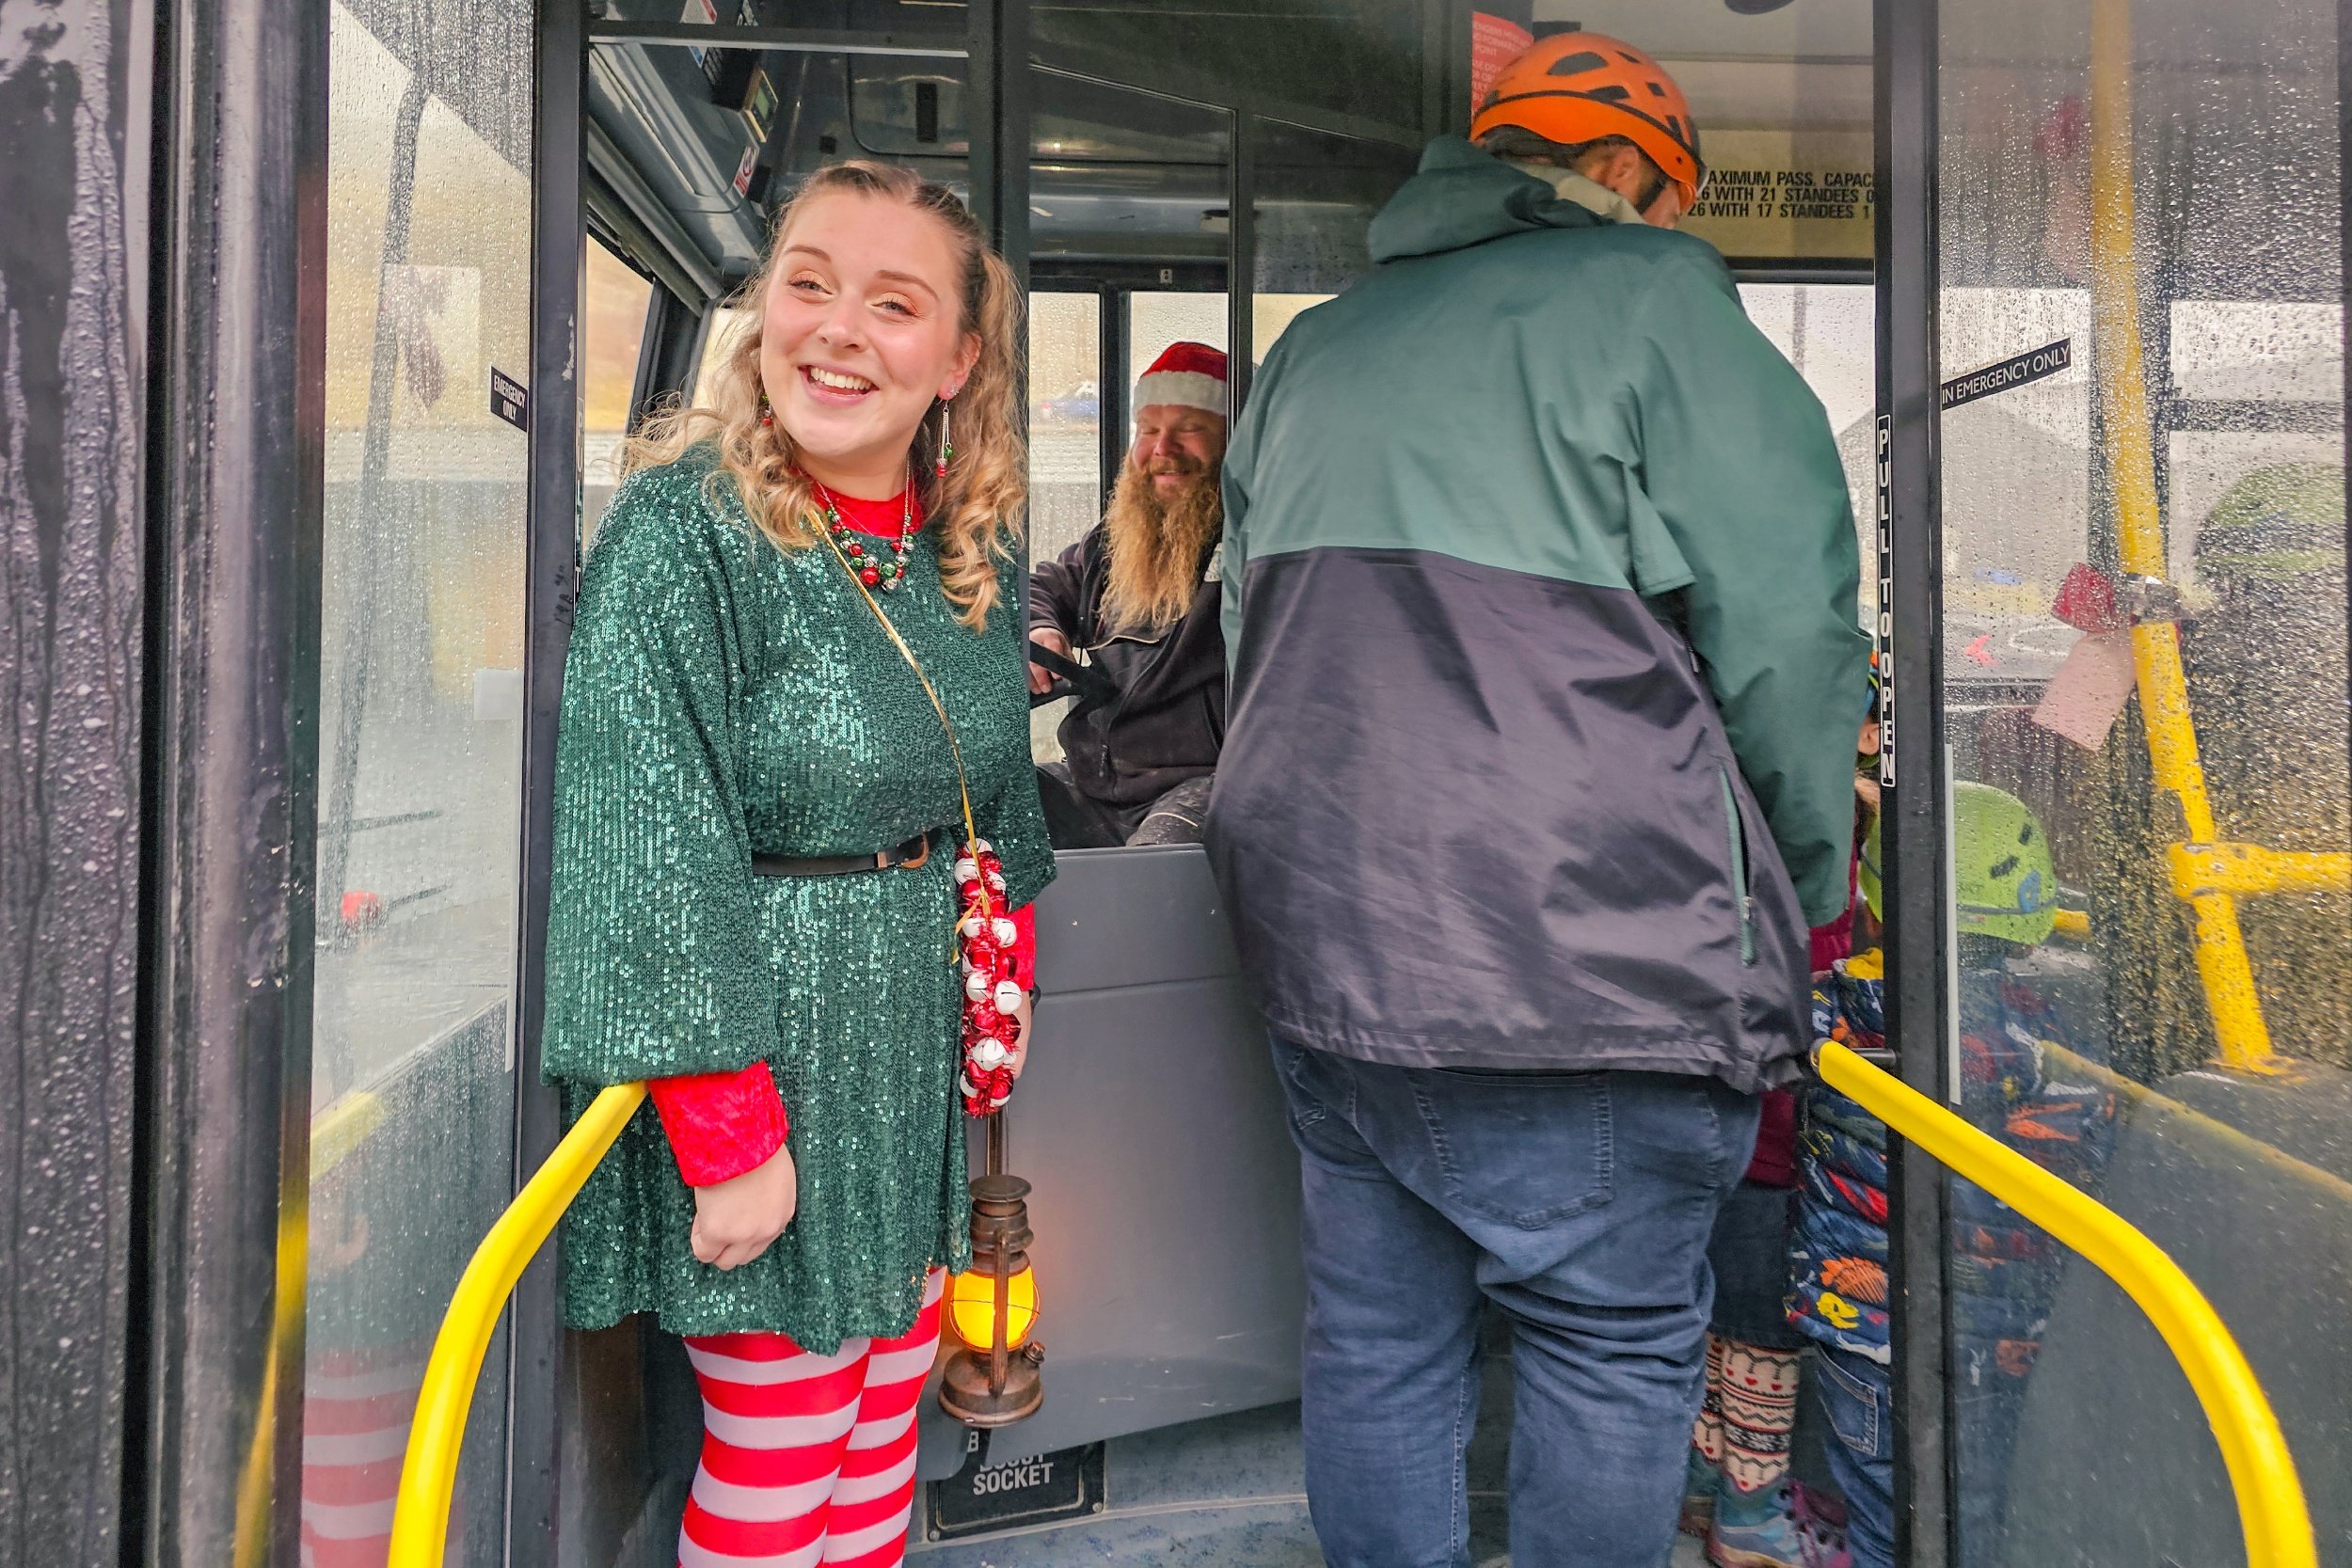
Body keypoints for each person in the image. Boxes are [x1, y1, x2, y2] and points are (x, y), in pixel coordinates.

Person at [1208, 31, 1869, 1568]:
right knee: (1610, 1348)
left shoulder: (1320, 348)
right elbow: (1790, 647)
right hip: (1596, 959)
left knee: (1377, 1342)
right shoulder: (1659, 310)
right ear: (1633, 176)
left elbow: (1256, 655)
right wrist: (1809, 892)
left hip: (1331, 954)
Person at [539, 161, 1055, 1568]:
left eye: (894, 304)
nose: (836, 329)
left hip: (905, 1061)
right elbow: (643, 838)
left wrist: (995, 1000)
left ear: (957, 360)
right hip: (765, 1055)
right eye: (809, 283)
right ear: (762, 311)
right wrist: (728, 1131)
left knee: (884, 1426)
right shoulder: (684, 533)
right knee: (784, 1442)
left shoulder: (970, 553)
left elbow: (993, 813)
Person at [1791, 788, 2116, 1568]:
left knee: (1884, 1522)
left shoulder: (1828, 1012)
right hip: (2006, 1343)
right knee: (1980, 1519)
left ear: (1872, 897)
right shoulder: (2051, 1043)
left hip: (1859, 1333)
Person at [1026, 341, 1232, 847]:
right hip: (1096, 781)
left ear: (1237, 442)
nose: (1163, 449)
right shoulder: (1117, 541)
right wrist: (1042, 627)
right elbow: (1042, 586)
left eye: (1189, 428)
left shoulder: (1259, 546)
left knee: (1150, 866)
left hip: (1203, 783)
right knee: (986, 806)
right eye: (1148, 430)